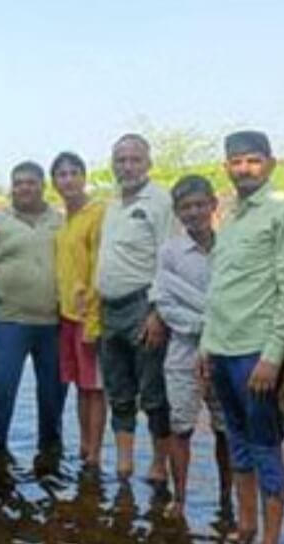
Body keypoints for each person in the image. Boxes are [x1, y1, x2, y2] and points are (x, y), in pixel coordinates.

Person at [199, 130, 284, 544]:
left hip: (255, 354)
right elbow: (220, 287)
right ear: (226, 167)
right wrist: (205, 346)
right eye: (237, 161)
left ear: (270, 164)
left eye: (253, 160)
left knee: (265, 445)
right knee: (236, 441)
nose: (244, 169)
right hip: (222, 350)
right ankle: (245, 529)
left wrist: (274, 356)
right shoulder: (231, 217)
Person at [95, 134, 175, 484]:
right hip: (109, 308)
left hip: (143, 306)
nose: (127, 167)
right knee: (118, 390)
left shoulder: (161, 201)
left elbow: (169, 258)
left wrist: (158, 312)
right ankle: (124, 465)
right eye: (121, 160)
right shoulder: (113, 204)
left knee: (153, 392)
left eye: (134, 160)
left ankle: (159, 465)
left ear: (148, 163)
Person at [0, 161, 67, 457]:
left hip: (54, 323)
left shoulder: (61, 221)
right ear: (11, 188)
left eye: (31, 182)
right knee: (1, 391)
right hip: (9, 321)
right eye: (18, 183)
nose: (24, 188)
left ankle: (50, 454)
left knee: (53, 395)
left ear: (43, 186)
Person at [152, 175, 232, 519]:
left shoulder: (232, 247)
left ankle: (227, 499)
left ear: (213, 205)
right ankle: (180, 499)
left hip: (227, 351)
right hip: (184, 352)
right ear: (177, 212)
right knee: (181, 426)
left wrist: (218, 327)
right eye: (186, 207)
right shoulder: (170, 252)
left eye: (200, 204)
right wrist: (205, 325)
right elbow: (164, 303)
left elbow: (238, 299)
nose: (194, 212)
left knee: (226, 428)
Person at [51, 151, 108, 467]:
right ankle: (84, 446)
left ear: (84, 178)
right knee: (79, 386)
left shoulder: (98, 214)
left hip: (90, 316)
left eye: (74, 173)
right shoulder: (64, 220)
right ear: (54, 182)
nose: (68, 179)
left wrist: (94, 320)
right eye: (62, 174)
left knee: (95, 387)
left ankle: (96, 453)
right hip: (67, 316)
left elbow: (100, 267)